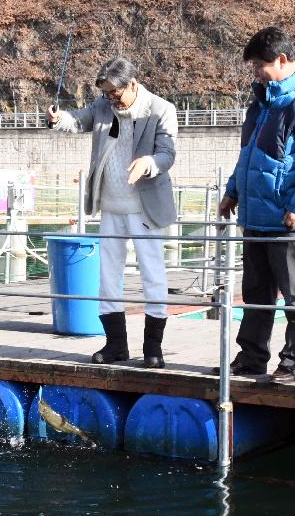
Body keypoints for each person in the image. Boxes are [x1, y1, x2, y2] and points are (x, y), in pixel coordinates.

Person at [217, 27, 295, 382]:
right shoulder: (260, 104)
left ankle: (293, 362)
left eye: (259, 65)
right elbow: (249, 157)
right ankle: (251, 357)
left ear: (283, 60)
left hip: (290, 222)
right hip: (256, 218)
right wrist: (233, 192)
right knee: (256, 296)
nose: (255, 72)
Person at [46, 57, 177, 369]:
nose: (110, 99)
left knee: (153, 275)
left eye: (114, 93)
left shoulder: (161, 109)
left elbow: (167, 154)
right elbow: (78, 120)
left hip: (145, 207)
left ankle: (153, 348)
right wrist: (58, 117)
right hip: (111, 205)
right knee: (107, 276)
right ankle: (116, 345)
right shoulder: (103, 106)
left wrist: (150, 163)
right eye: (105, 94)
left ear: (132, 84)